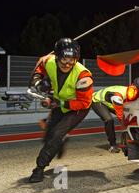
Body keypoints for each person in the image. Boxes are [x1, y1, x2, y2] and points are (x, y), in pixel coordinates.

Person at [27, 38, 93, 183]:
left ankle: (39, 169)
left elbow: (84, 102)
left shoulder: (83, 76)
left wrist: (59, 102)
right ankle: (60, 141)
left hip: (78, 108)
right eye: (64, 59)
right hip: (60, 102)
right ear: (57, 57)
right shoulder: (49, 61)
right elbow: (40, 65)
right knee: (48, 134)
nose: (68, 64)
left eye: (72, 60)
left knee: (56, 135)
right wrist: (38, 82)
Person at [91, 86, 128, 153]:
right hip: (97, 100)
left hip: (110, 102)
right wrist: (125, 126)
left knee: (127, 117)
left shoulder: (133, 93)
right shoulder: (117, 96)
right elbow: (120, 116)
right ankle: (113, 145)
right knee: (109, 120)